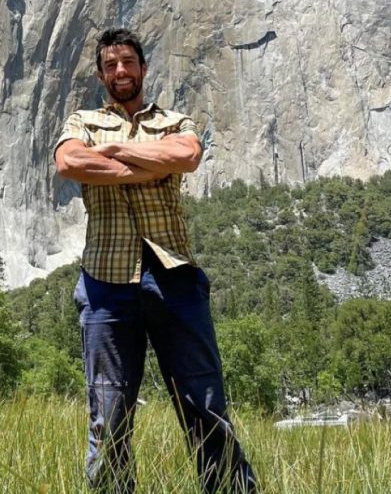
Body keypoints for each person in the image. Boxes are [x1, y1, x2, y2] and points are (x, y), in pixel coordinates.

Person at [54, 27, 257, 494]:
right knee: (108, 412)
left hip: (174, 276)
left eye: (128, 62)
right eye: (110, 65)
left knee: (204, 403)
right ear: (102, 74)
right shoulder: (81, 121)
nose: (120, 71)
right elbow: (69, 163)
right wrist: (151, 163)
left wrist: (113, 152)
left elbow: (187, 155)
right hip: (105, 280)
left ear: (143, 68)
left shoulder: (174, 120)